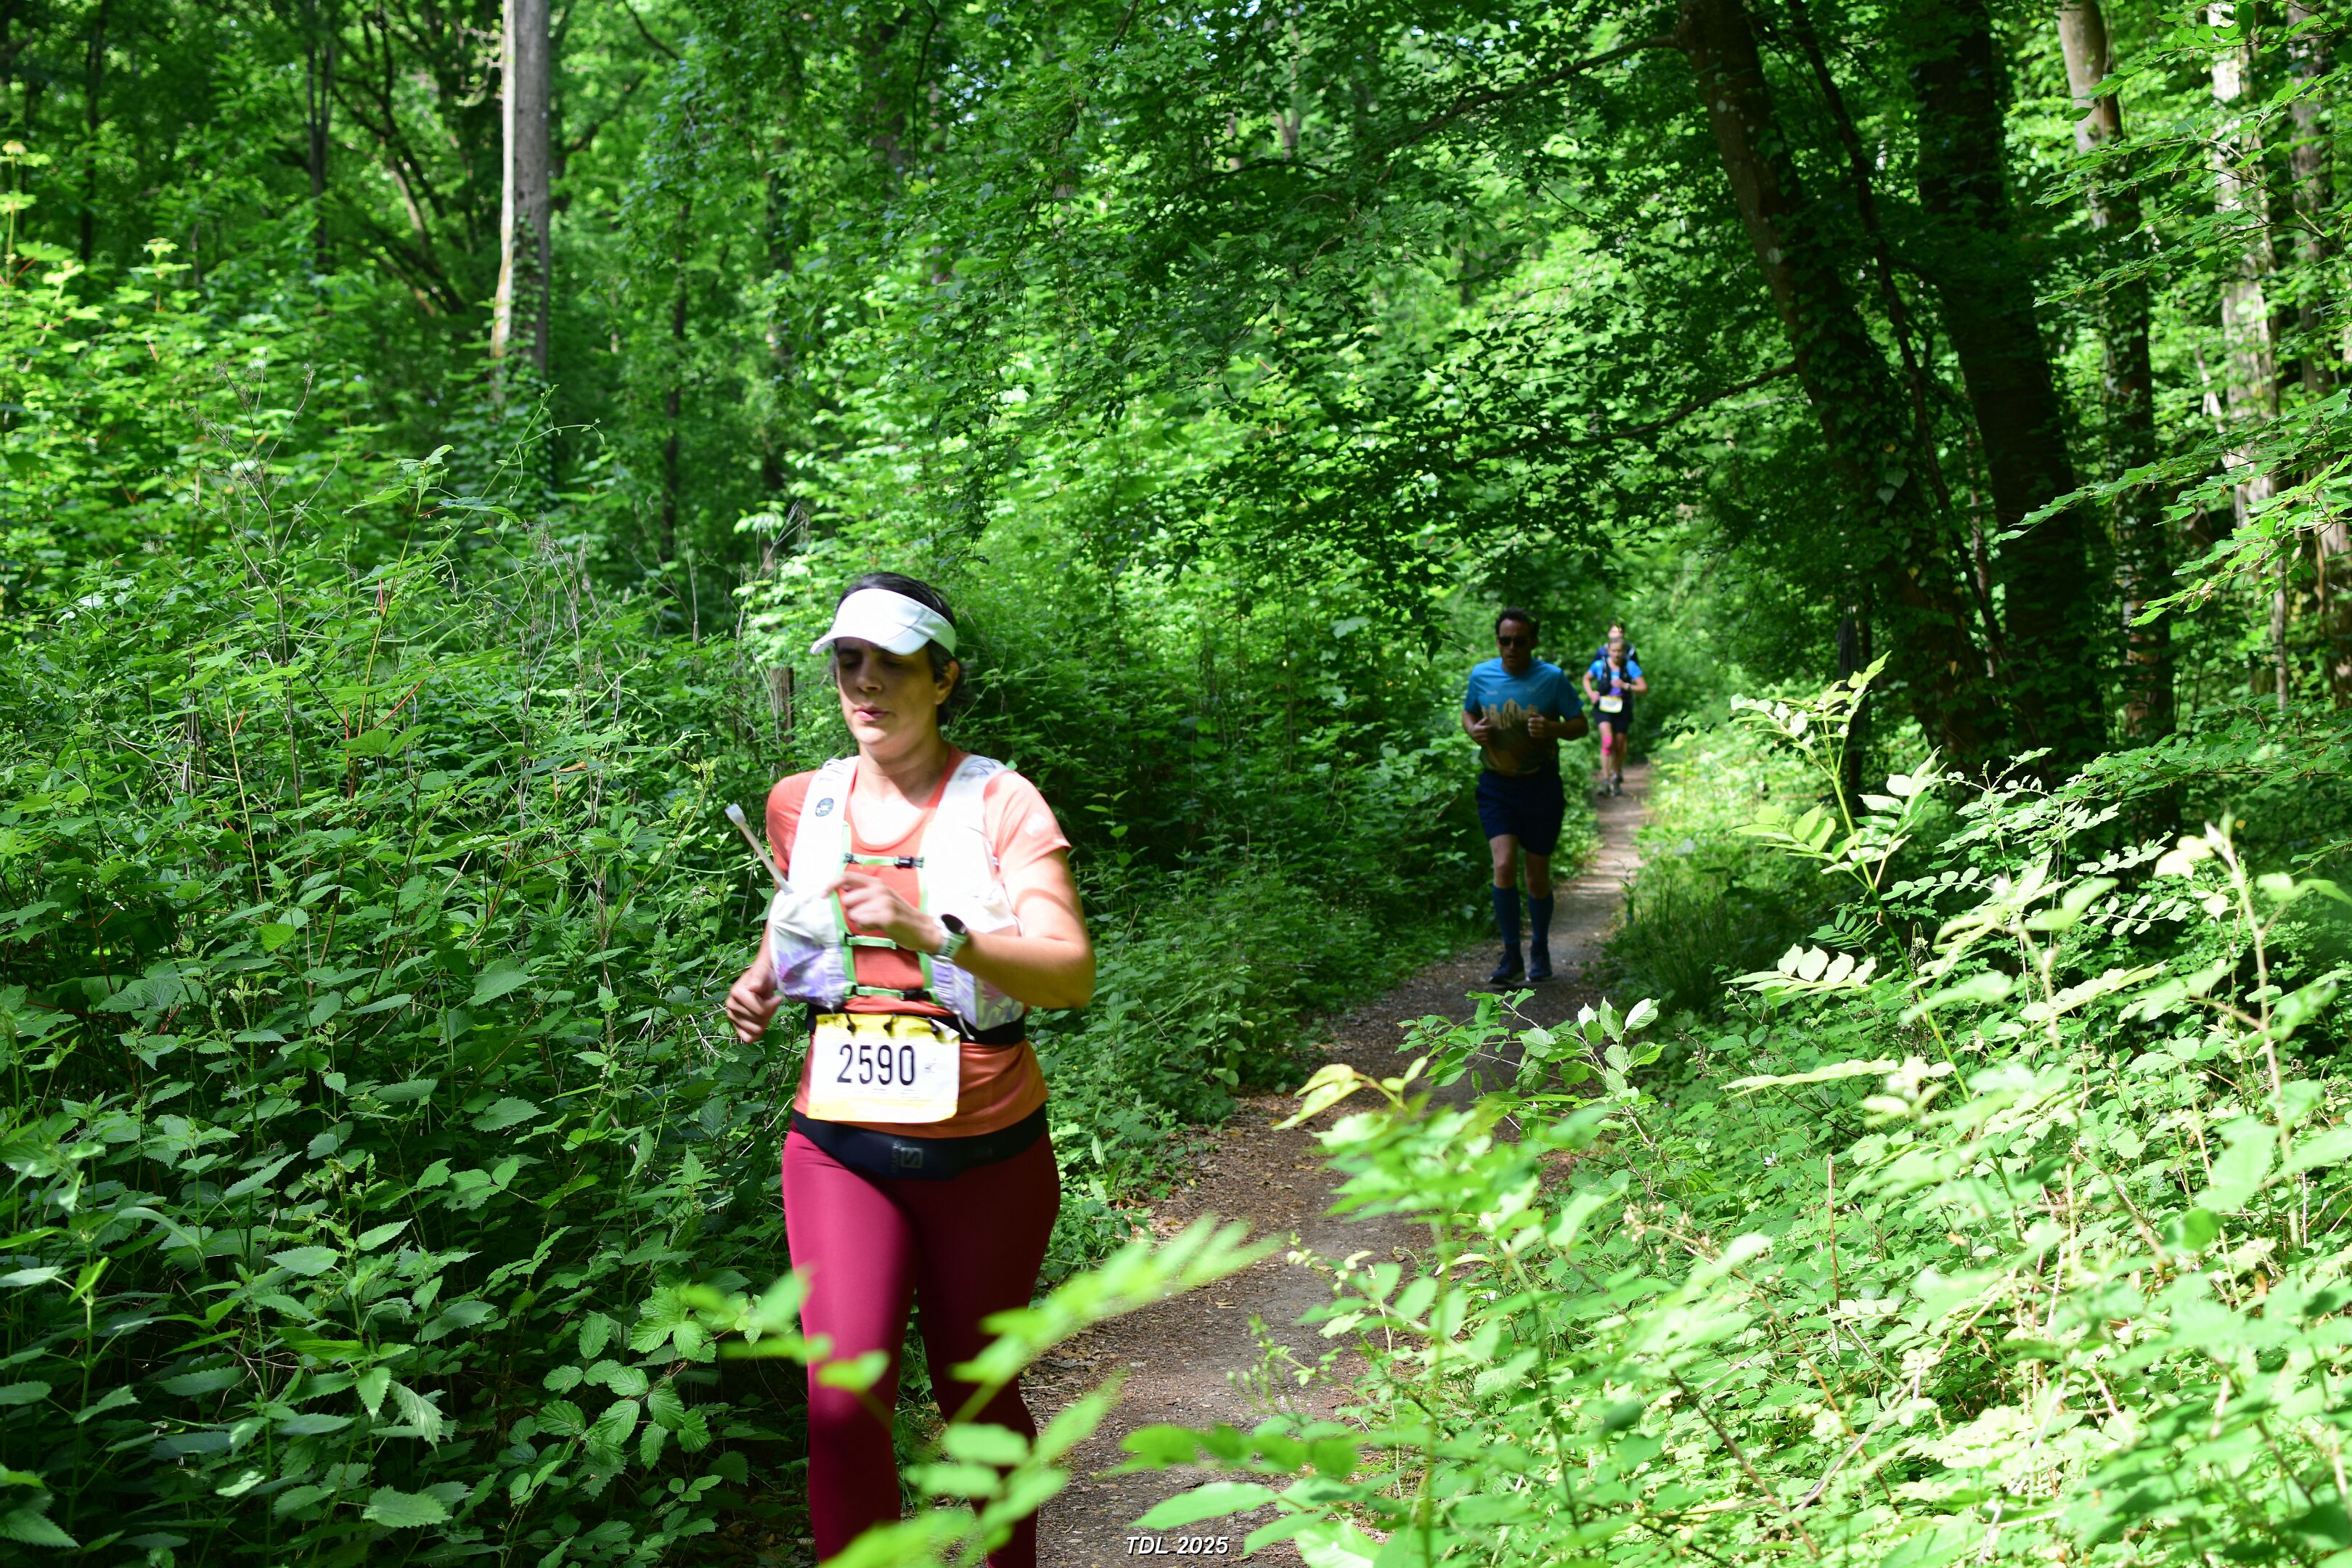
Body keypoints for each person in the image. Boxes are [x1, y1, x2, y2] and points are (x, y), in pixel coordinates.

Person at [723, 572, 1094, 1568]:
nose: (867, 683)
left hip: (988, 1155)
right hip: (839, 1148)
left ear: (944, 677)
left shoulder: (1001, 802)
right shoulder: (803, 802)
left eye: (892, 663)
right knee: (843, 1404)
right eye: (850, 662)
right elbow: (798, 916)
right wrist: (762, 980)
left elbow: (1069, 973)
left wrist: (940, 934)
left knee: (978, 1398)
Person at [1461, 608, 1586, 984]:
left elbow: (1580, 725)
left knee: (1536, 876)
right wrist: (1473, 731)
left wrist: (1552, 728)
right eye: (1505, 640)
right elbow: (1468, 713)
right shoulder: (1482, 675)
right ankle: (1511, 954)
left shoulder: (1552, 678)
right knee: (1503, 866)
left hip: (1541, 785)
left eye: (1519, 641)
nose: (1512, 647)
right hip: (1496, 785)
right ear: (1497, 641)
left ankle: (1540, 949)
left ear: (1533, 642)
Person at [1582, 631, 1649, 797]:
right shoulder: (1599, 665)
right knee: (1608, 741)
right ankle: (1605, 779)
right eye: (1613, 651)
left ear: (1624, 652)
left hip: (1622, 709)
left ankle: (1616, 776)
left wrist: (1625, 686)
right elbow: (1586, 679)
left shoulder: (1630, 667)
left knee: (1619, 745)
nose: (1617, 654)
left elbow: (1644, 688)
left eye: (1620, 651)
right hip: (1603, 708)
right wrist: (1591, 694)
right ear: (1608, 651)